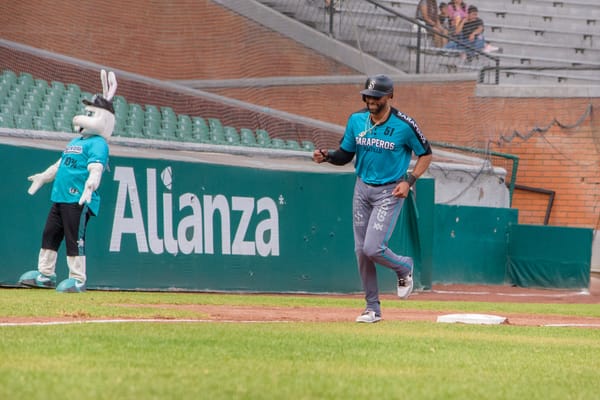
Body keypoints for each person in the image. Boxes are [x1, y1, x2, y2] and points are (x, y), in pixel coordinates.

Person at [312, 74, 433, 323]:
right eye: (367, 96)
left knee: (373, 248)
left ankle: (404, 267)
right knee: (361, 251)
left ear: (389, 96)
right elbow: (346, 154)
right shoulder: (357, 120)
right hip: (362, 189)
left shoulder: (404, 125)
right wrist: (327, 156)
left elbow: (426, 154)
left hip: (390, 191)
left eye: (376, 96)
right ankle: (372, 308)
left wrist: (409, 181)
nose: (371, 100)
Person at [18, 70, 117, 293]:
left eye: (92, 113)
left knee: (75, 239)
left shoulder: (99, 144)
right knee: (49, 234)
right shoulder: (75, 141)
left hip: (78, 198)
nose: (85, 117)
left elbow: (96, 168)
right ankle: (45, 274)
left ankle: (78, 279)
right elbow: (61, 164)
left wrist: (91, 185)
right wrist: (44, 176)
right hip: (60, 197)